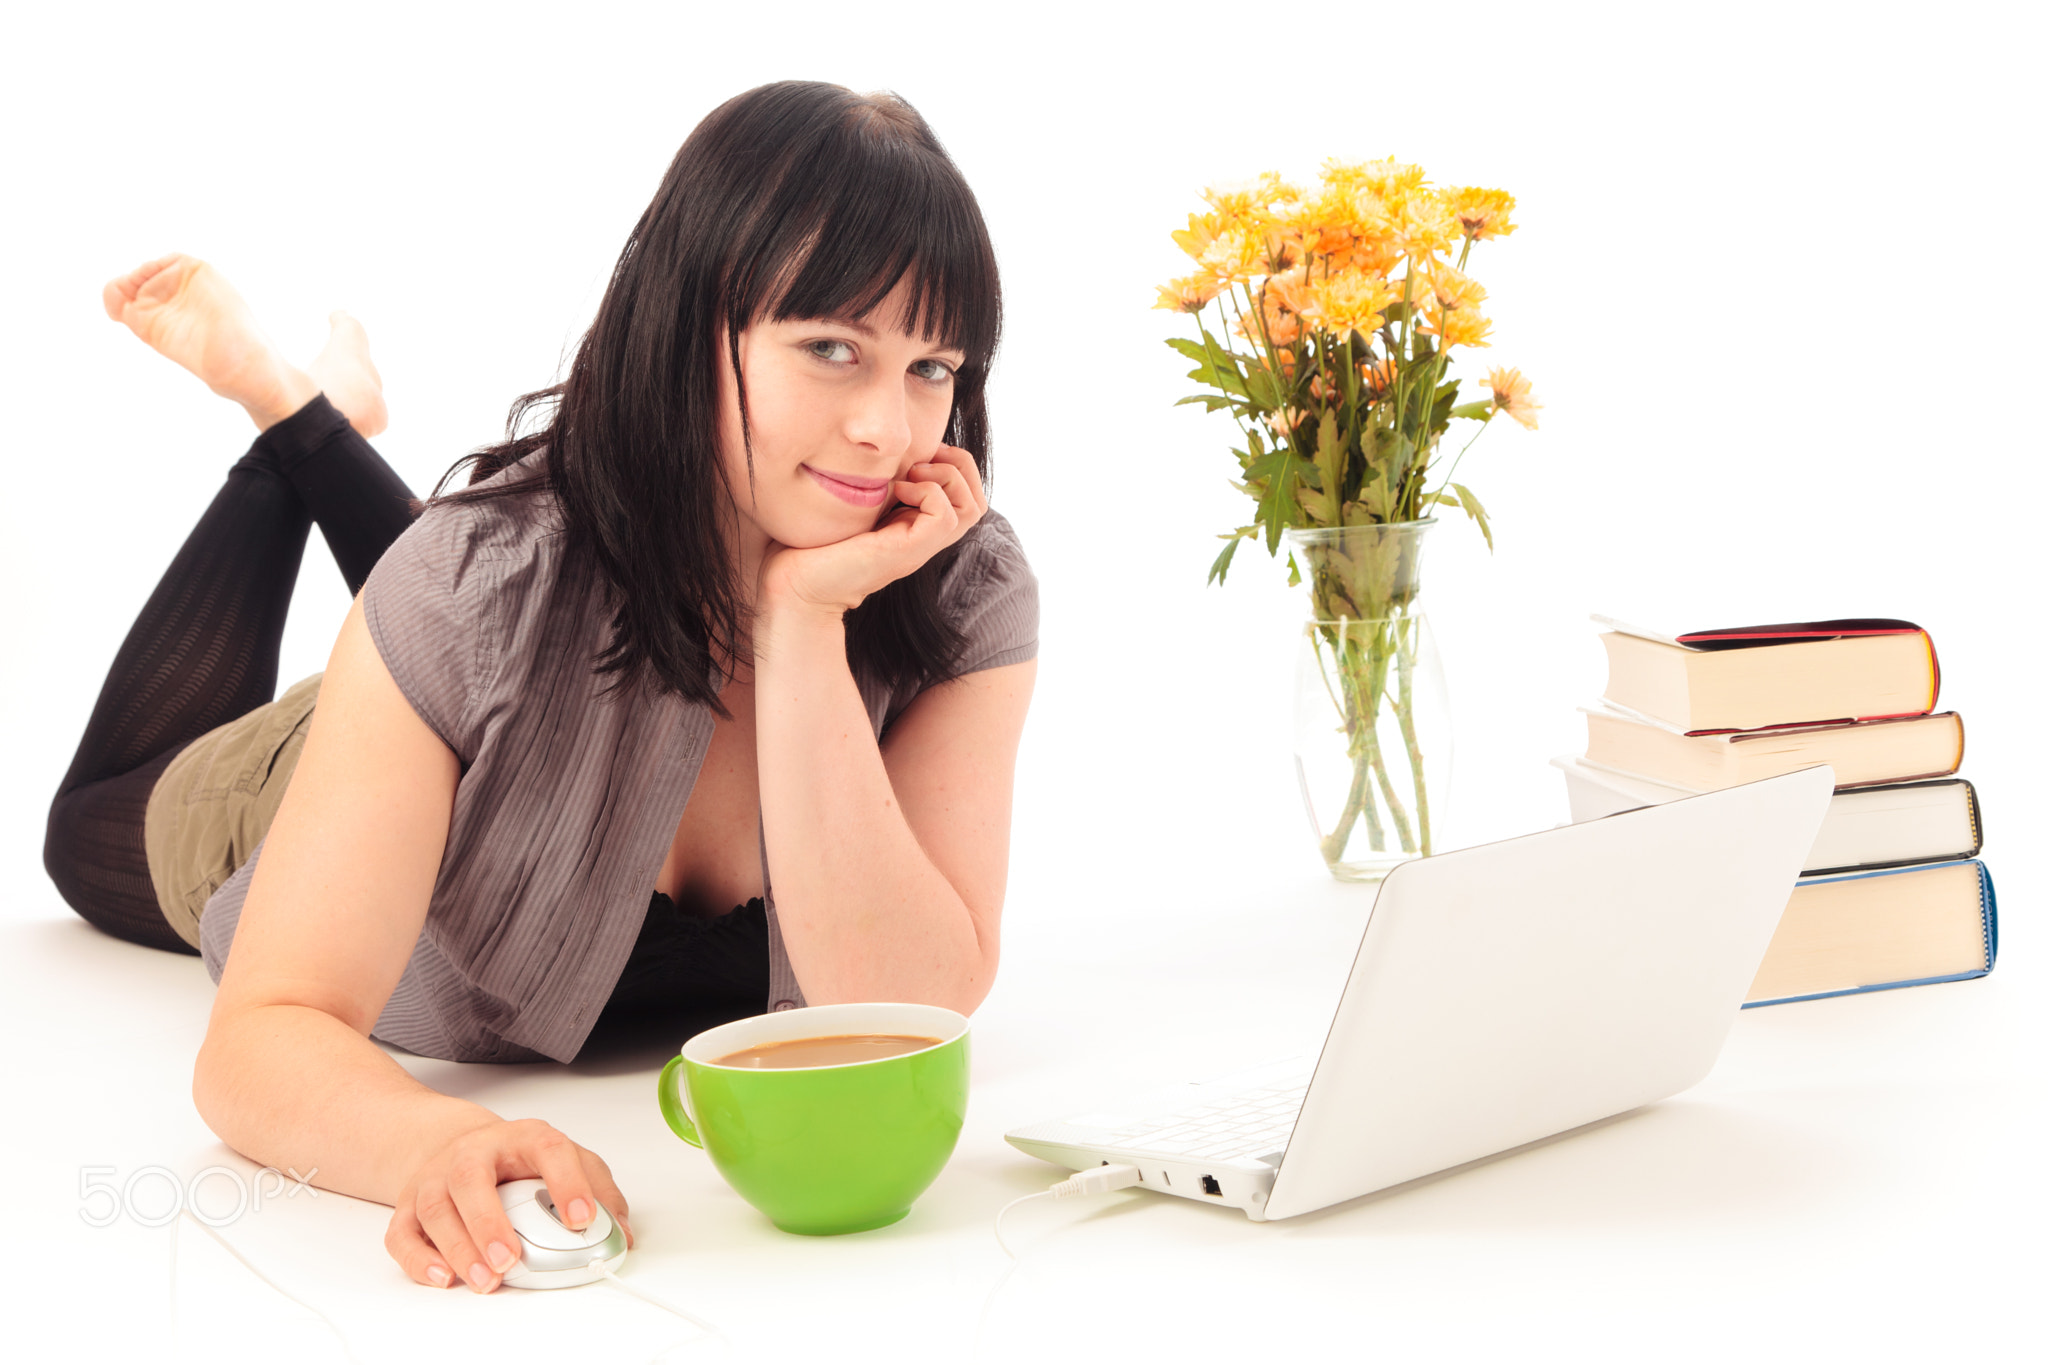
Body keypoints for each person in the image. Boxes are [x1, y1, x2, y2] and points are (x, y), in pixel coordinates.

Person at [43, 81, 1036, 1294]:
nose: (887, 428)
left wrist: (801, 625)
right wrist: (440, 1142)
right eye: (830, 347)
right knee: (82, 827)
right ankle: (290, 420)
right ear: (688, 326)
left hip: (493, 647)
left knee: (483, 585)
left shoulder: (954, 585)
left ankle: (323, 423)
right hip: (311, 765)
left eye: (931, 366)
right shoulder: (473, 587)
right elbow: (259, 1037)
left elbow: (903, 1010)